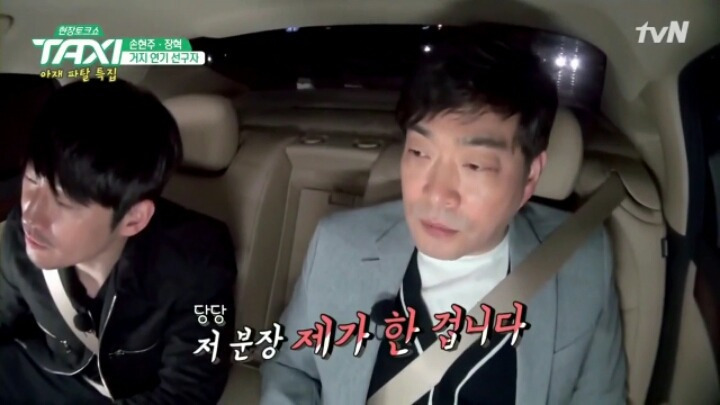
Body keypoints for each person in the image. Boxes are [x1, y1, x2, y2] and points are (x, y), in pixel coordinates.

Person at [259, 38, 626, 404]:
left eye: (474, 165)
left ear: (530, 176)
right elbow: (291, 367)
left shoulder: (579, 259)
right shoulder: (340, 247)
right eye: (420, 152)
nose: (436, 195)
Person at [0, 79, 237, 404]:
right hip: (41, 372)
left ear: (133, 219)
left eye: (65, 201)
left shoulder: (200, 260)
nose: (31, 214)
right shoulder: (21, 229)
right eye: (32, 179)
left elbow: (187, 393)